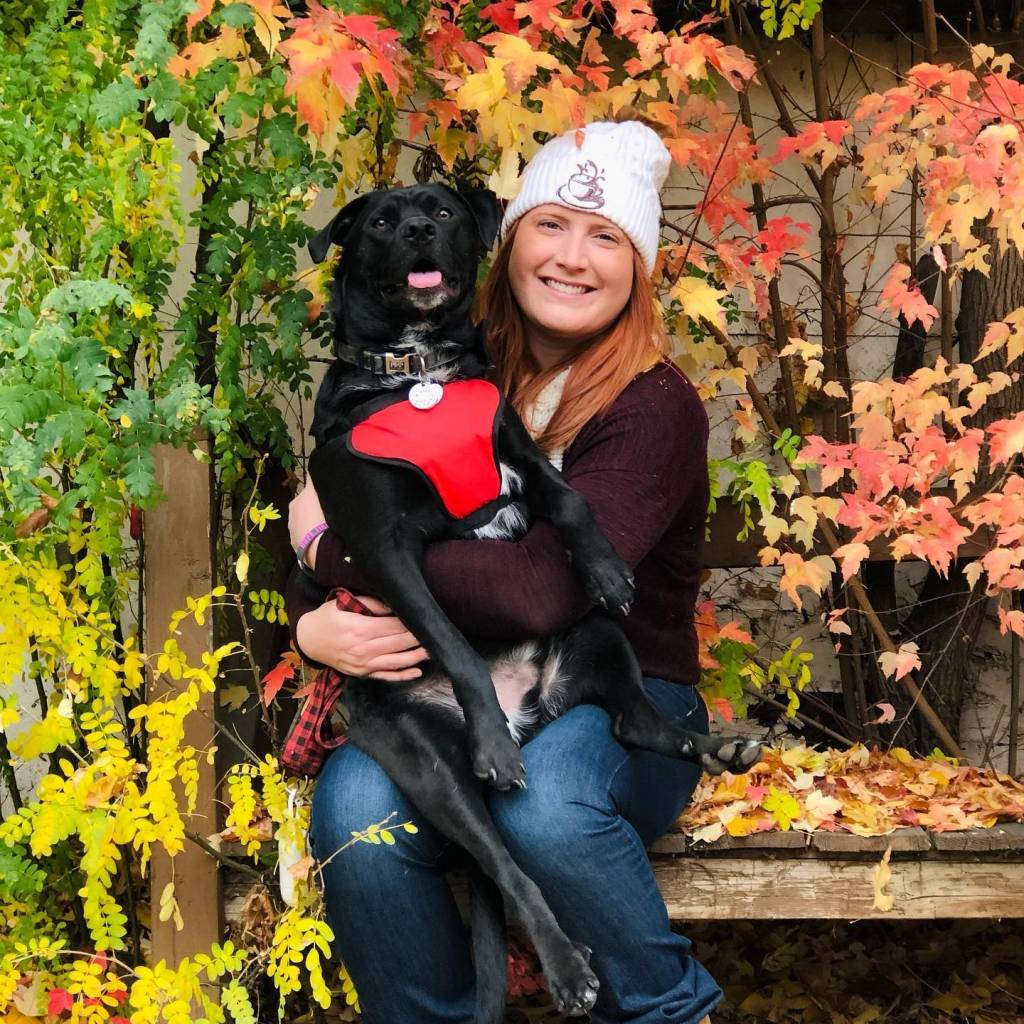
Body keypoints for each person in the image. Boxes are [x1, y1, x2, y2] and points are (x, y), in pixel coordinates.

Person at [285, 117, 721, 1024]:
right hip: (459, 688)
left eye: (605, 237)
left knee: (547, 805)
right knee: (356, 812)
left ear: (638, 269)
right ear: (508, 241)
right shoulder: (441, 364)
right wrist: (312, 622)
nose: (572, 258)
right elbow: (336, 505)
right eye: (550, 225)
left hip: (616, 690)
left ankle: (667, 1011)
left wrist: (332, 549)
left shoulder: (653, 407)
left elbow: (537, 592)